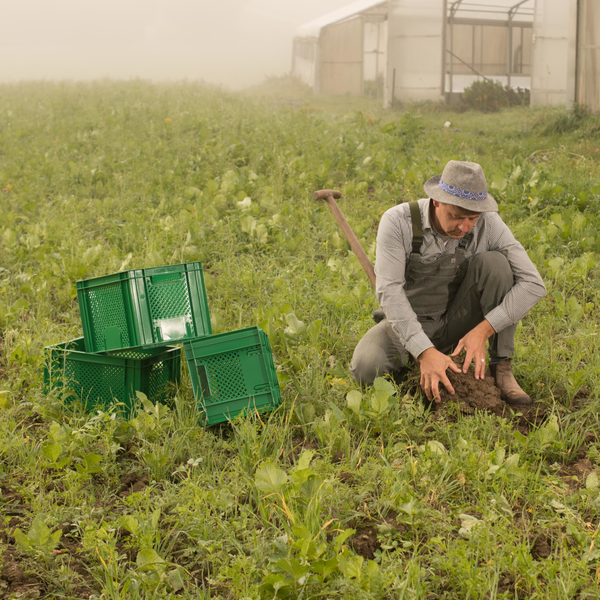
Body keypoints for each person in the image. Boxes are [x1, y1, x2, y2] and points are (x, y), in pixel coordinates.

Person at [350, 160, 546, 405]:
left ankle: (501, 367)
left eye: (472, 218)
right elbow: (390, 293)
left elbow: (534, 283)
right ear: (437, 201)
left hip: (457, 320)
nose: (464, 227)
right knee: (366, 369)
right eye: (456, 217)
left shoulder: (489, 223)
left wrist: (483, 330)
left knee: (497, 265)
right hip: (409, 320)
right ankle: (418, 365)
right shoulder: (398, 222)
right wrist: (424, 350)